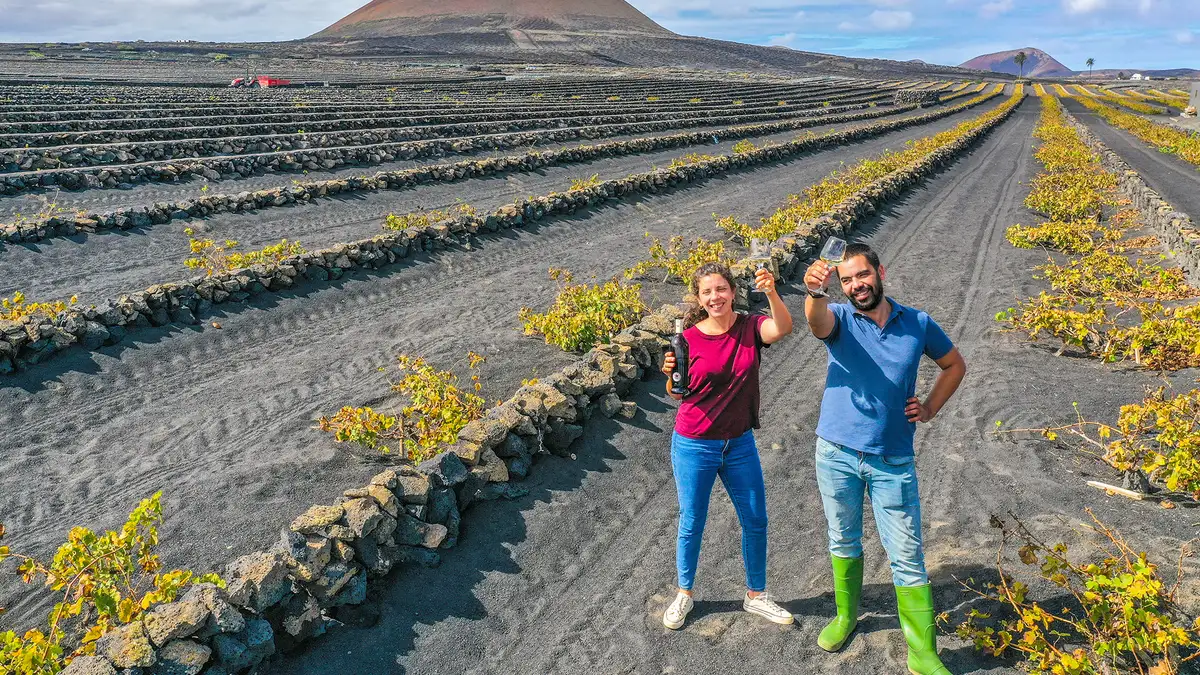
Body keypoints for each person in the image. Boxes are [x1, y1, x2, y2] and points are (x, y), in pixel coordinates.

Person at [802, 242, 966, 675]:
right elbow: (816, 322)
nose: (857, 285)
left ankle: (923, 653)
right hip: (835, 453)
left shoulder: (917, 323)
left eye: (862, 275)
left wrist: (929, 407)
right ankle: (846, 616)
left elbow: (954, 365)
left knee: (907, 554)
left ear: (880, 271)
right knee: (843, 539)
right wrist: (816, 293)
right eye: (847, 280)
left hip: (892, 459)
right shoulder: (837, 318)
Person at [659, 261, 794, 630]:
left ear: (733, 291)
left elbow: (782, 327)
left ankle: (756, 595)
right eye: (707, 292)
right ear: (699, 299)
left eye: (721, 289)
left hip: (739, 444)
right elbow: (676, 391)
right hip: (694, 443)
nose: (715, 297)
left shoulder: (751, 327)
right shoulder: (686, 339)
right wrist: (669, 374)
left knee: (755, 519)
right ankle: (684, 594)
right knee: (692, 522)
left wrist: (770, 290)